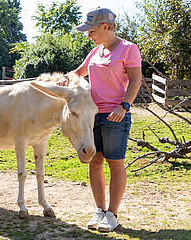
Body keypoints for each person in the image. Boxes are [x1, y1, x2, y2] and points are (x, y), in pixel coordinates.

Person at [58, 7, 142, 232]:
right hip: (92, 116)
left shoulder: (128, 49)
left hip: (116, 116)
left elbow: (135, 81)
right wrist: (64, 79)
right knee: (95, 160)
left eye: (92, 30)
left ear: (106, 26)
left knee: (115, 163)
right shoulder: (96, 51)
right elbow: (79, 72)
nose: (88, 35)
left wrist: (124, 106)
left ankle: (112, 214)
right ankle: (99, 210)